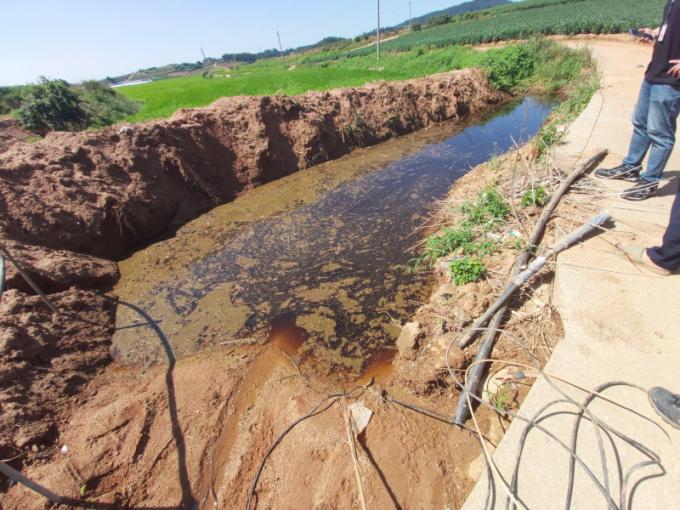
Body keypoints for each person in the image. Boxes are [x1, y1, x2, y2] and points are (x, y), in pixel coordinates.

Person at [596, 0, 680, 201]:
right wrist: (654, 33)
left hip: (671, 79)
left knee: (660, 133)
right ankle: (630, 167)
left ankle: (650, 181)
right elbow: (672, 29)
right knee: (641, 123)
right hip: (655, 71)